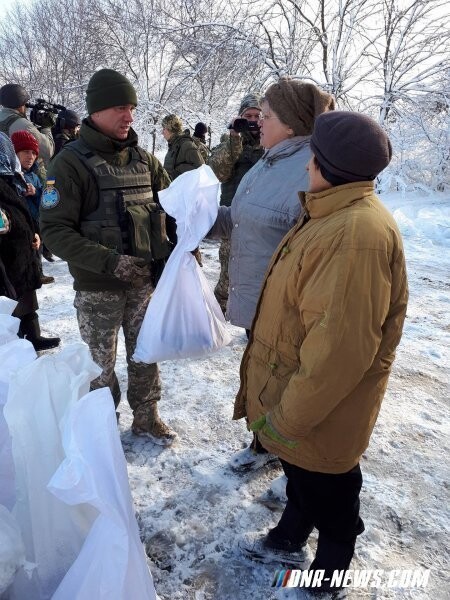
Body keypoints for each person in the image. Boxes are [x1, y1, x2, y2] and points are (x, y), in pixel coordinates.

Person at [236, 111, 408, 597]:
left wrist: (286, 420)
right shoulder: (330, 211)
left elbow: (339, 353)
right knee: (304, 473)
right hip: (300, 394)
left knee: (331, 489)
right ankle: (291, 534)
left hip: (320, 406)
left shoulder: (355, 236)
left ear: (322, 162)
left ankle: (330, 573)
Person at [40, 68, 176, 445]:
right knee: (100, 367)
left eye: (131, 107)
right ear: (96, 110)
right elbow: (53, 230)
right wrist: (108, 261)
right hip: (99, 286)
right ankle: (101, 425)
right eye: (120, 107)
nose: (129, 116)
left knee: (146, 354)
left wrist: (185, 246)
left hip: (143, 283)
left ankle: (147, 417)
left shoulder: (145, 161)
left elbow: (172, 207)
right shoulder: (69, 164)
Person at [208, 78, 335, 471]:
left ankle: (298, 467)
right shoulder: (268, 161)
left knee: (293, 385)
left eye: (267, 115)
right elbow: (248, 221)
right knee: (265, 379)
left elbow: (320, 250)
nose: (258, 122)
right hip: (258, 302)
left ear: (293, 124)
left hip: (289, 309)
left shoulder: (313, 171)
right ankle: (264, 444)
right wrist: (201, 220)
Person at [0, 132, 60, 351]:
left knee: (26, 300)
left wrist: (33, 233)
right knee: (9, 306)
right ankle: (14, 346)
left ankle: (33, 336)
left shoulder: (11, 180)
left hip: (20, 256)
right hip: (7, 260)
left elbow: (22, 214)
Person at [208, 94, 264, 314]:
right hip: (234, 218)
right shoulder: (231, 142)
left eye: (257, 116)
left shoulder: (272, 142)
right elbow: (217, 173)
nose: (251, 121)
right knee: (228, 274)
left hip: (262, 219)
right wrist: (233, 136)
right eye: (247, 116)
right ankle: (216, 320)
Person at [11, 130, 54, 285]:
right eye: (25, 152)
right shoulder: (9, 176)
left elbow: (44, 201)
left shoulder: (34, 177)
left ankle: (38, 272)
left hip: (34, 219)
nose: (30, 156)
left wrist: (36, 193)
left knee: (37, 249)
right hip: (19, 223)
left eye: (33, 153)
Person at [0, 83, 55, 166]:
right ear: (21, 103)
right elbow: (48, 151)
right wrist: (46, 127)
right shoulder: (24, 125)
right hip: (19, 174)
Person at [161, 114, 204, 180]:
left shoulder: (187, 146)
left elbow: (201, 172)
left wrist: (177, 172)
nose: (162, 132)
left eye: (164, 129)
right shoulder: (174, 145)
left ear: (171, 129)